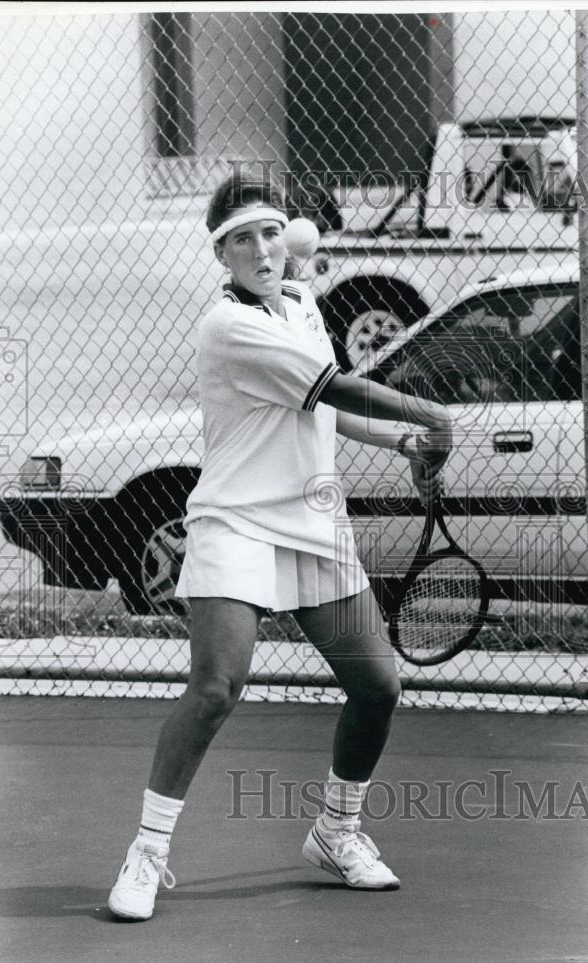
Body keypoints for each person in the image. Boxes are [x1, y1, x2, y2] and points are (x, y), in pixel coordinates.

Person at [108, 174, 453, 920]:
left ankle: (337, 831)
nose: (262, 248)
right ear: (221, 255)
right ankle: (147, 852)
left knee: (377, 688)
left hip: (313, 525)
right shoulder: (226, 327)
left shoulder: (300, 304)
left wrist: (403, 442)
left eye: (271, 231)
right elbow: (337, 388)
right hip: (235, 521)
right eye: (242, 239)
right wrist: (431, 414)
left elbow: (322, 415)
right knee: (215, 689)